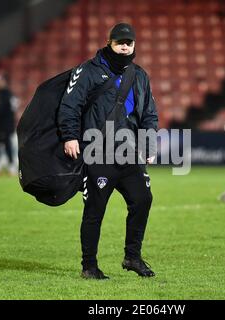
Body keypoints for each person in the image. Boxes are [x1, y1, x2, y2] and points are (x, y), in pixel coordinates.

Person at [58, 23, 158, 279]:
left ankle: (132, 257)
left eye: (129, 42)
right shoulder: (88, 71)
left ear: (134, 45)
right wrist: (70, 136)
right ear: (109, 43)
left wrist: (148, 144)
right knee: (94, 210)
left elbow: (148, 114)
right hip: (97, 152)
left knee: (142, 199)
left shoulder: (139, 76)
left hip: (129, 152)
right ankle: (89, 266)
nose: (125, 46)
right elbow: (70, 105)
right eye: (119, 42)